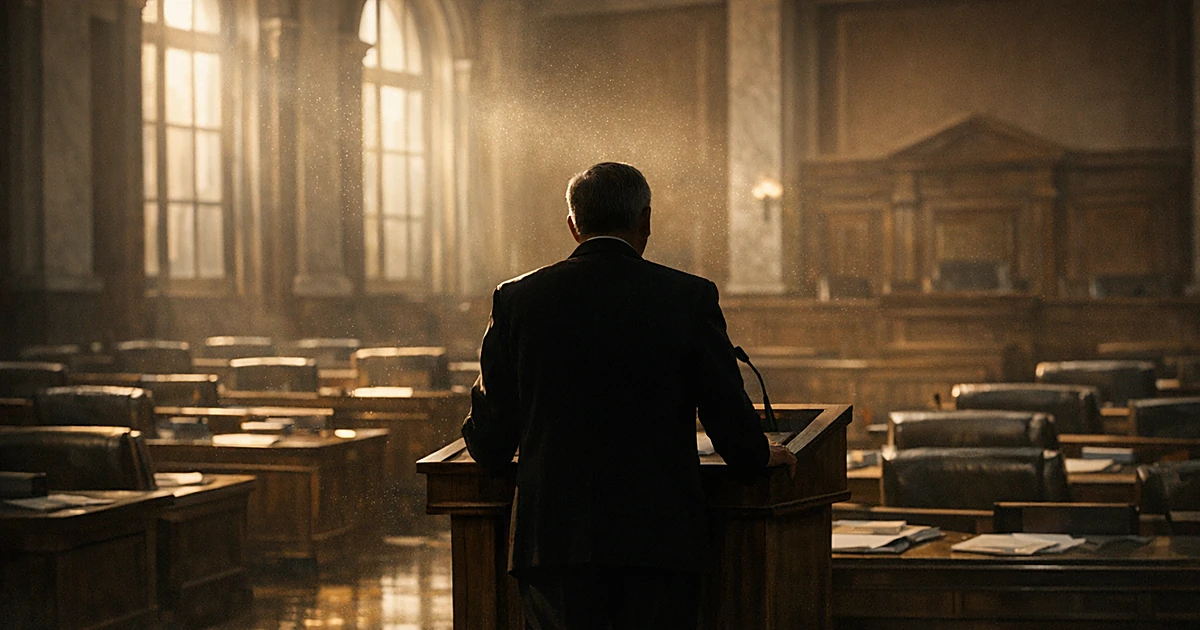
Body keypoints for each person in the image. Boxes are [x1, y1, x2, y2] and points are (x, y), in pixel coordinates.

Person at [462, 162, 797, 629]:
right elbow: (726, 413)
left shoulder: (517, 299)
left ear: (573, 225)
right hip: (659, 540)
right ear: (646, 221)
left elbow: (491, 439)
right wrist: (758, 455)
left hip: (554, 540)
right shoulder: (688, 297)